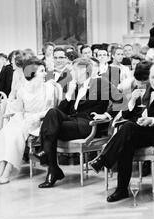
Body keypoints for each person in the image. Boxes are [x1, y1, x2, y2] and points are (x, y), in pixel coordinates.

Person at [88, 63, 154, 202]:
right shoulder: (145, 90)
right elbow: (125, 114)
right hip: (137, 131)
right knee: (126, 142)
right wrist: (131, 100)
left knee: (128, 128)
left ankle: (103, 159)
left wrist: (152, 120)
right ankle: (122, 190)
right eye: (152, 77)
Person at [35, 58, 123, 188]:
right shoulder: (74, 86)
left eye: (74, 70)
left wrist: (106, 115)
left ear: (83, 70)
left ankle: (50, 163)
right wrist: (69, 95)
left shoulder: (100, 82)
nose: (72, 73)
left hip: (87, 124)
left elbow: (120, 99)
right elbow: (59, 112)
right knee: (52, 113)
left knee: (50, 129)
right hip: (72, 121)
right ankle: (53, 168)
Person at [0, 58, 57, 184]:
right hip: (22, 118)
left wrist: (35, 117)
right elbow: (19, 109)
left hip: (39, 120)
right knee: (4, 134)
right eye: (42, 71)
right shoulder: (23, 89)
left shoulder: (48, 88)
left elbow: (51, 110)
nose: (45, 74)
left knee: (16, 136)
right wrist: (10, 108)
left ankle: (7, 170)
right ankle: (2, 166)